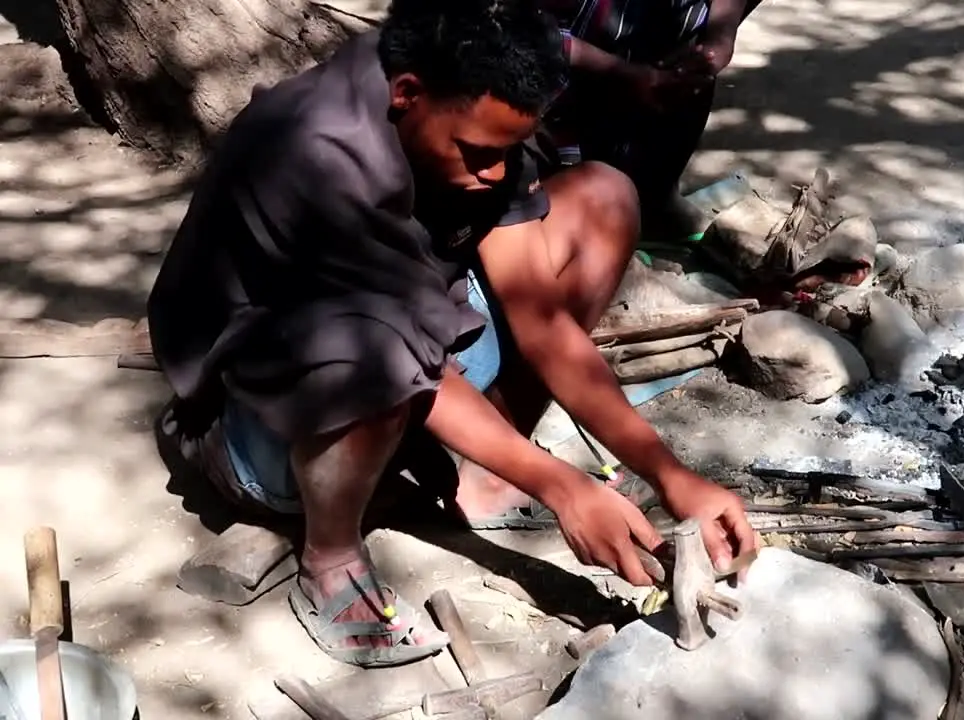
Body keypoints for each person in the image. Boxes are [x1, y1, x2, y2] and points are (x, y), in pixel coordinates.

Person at [146, 0, 758, 668]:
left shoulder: (465, 101)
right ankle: (330, 556)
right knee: (373, 346)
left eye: (505, 152)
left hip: (407, 352)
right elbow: (409, 364)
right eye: (479, 154)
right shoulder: (315, 153)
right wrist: (564, 487)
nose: (496, 173)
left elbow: (543, 322)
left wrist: (671, 476)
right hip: (255, 429)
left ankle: (482, 482)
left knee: (606, 198)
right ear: (407, 95)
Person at [540, 0, 762, 235]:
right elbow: (520, 31)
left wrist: (720, 37)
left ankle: (655, 196)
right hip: (551, 56)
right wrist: (621, 72)